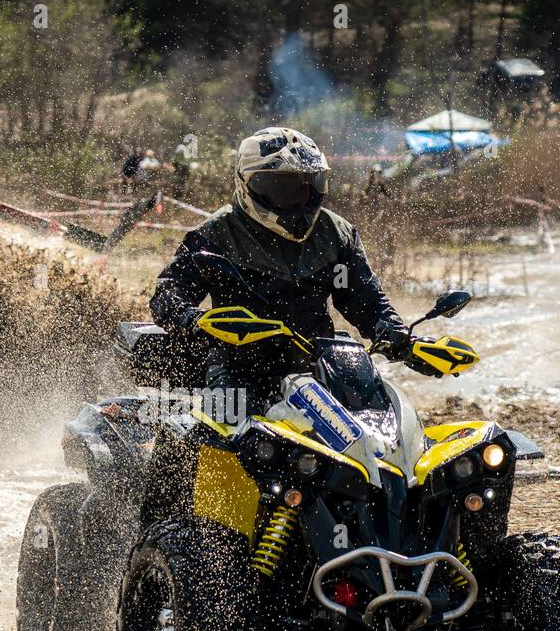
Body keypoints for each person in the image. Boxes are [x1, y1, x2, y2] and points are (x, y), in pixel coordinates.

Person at [149, 127, 424, 420]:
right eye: (283, 189)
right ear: (249, 184)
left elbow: (364, 300)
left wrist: (396, 334)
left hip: (319, 362)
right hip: (240, 366)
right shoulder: (213, 235)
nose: (297, 201)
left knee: (373, 420)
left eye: (306, 188)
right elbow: (167, 293)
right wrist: (193, 319)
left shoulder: (337, 234)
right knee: (225, 430)